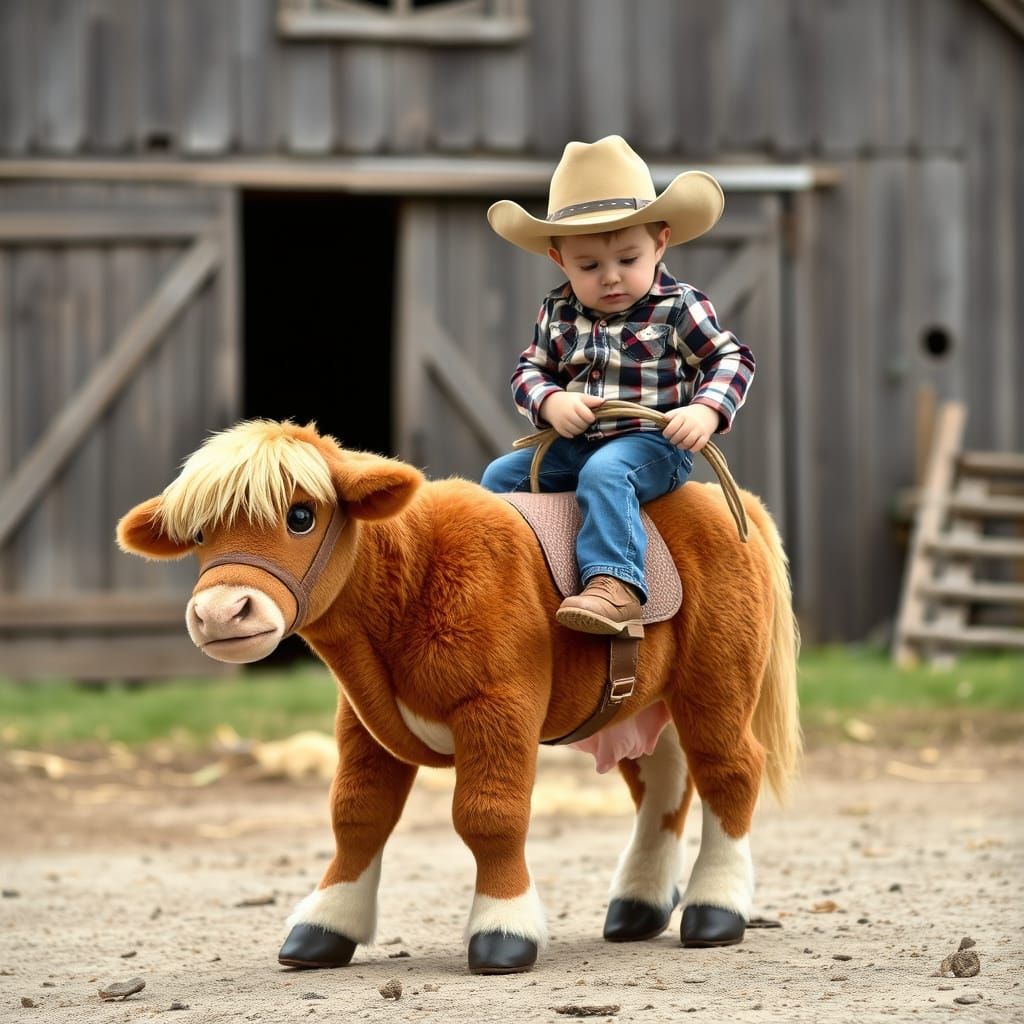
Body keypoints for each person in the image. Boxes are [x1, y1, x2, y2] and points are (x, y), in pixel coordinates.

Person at [480, 135, 755, 637]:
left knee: (606, 473)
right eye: (589, 266)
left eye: (628, 260)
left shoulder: (678, 306)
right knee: (500, 477)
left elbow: (730, 357)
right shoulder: (557, 311)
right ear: (560, 260)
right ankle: (504, 585)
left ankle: (616, 583)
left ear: (660, 243)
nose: (610, 277)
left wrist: (705, 411)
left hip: (652, 444)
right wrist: (551, 401)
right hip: (573, 444)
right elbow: (528, 371)